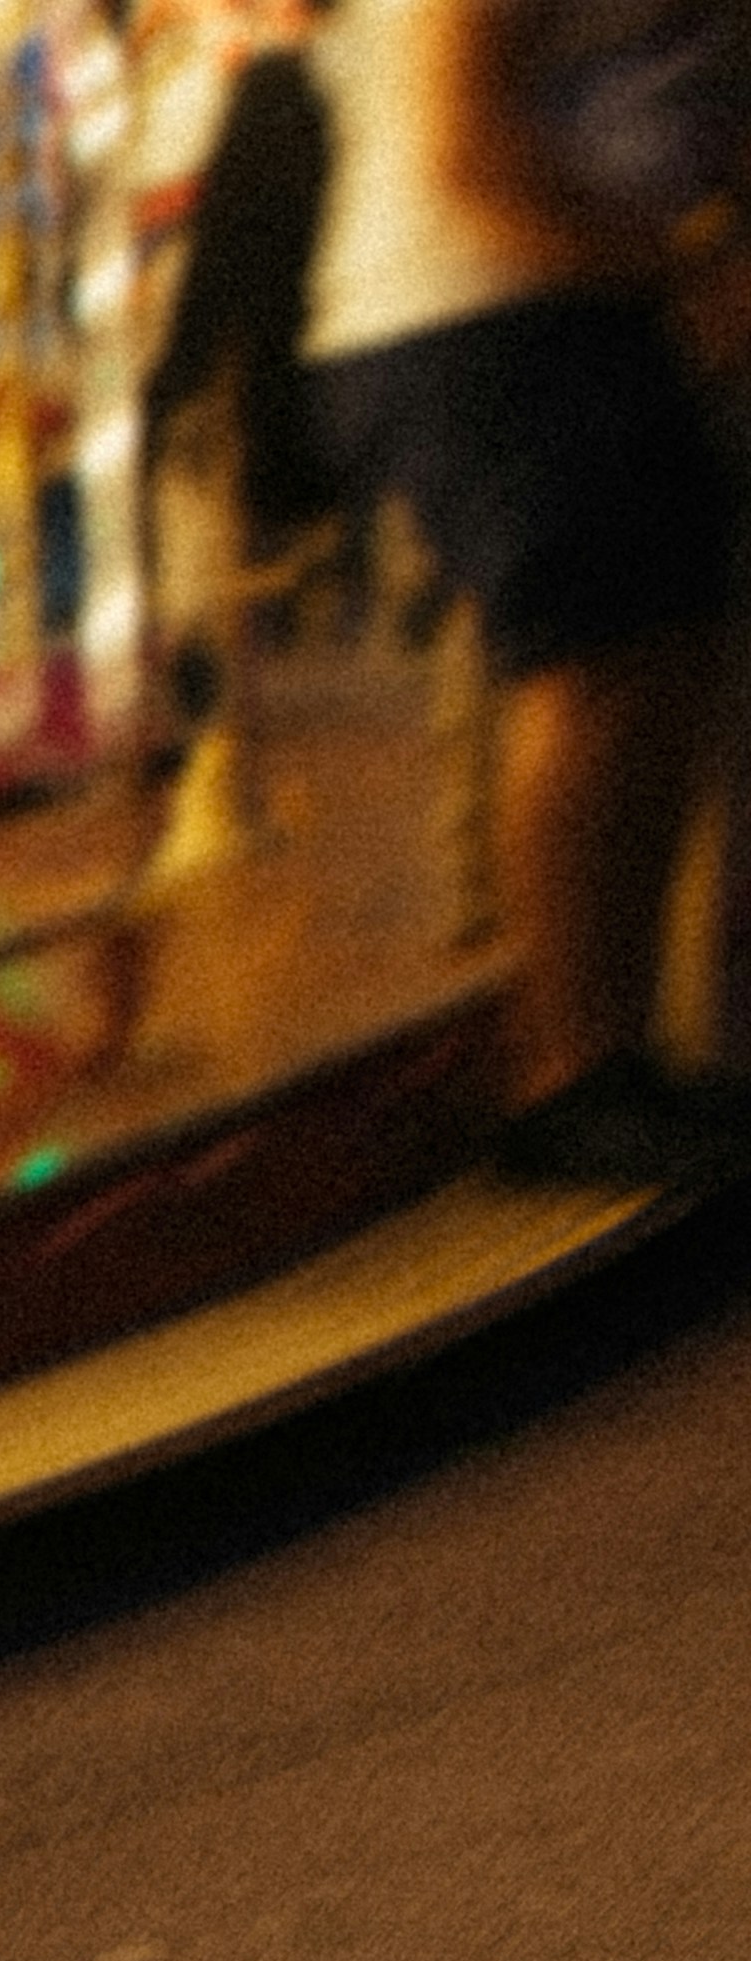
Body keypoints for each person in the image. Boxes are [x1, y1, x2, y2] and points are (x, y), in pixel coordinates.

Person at [298, 0, 743, 1181]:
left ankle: (613, 1054)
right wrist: (686, 263)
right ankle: (571, 1074)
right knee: (597, 673)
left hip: (531, 300)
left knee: (650, 666)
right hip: (484, 310)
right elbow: (470, 153)